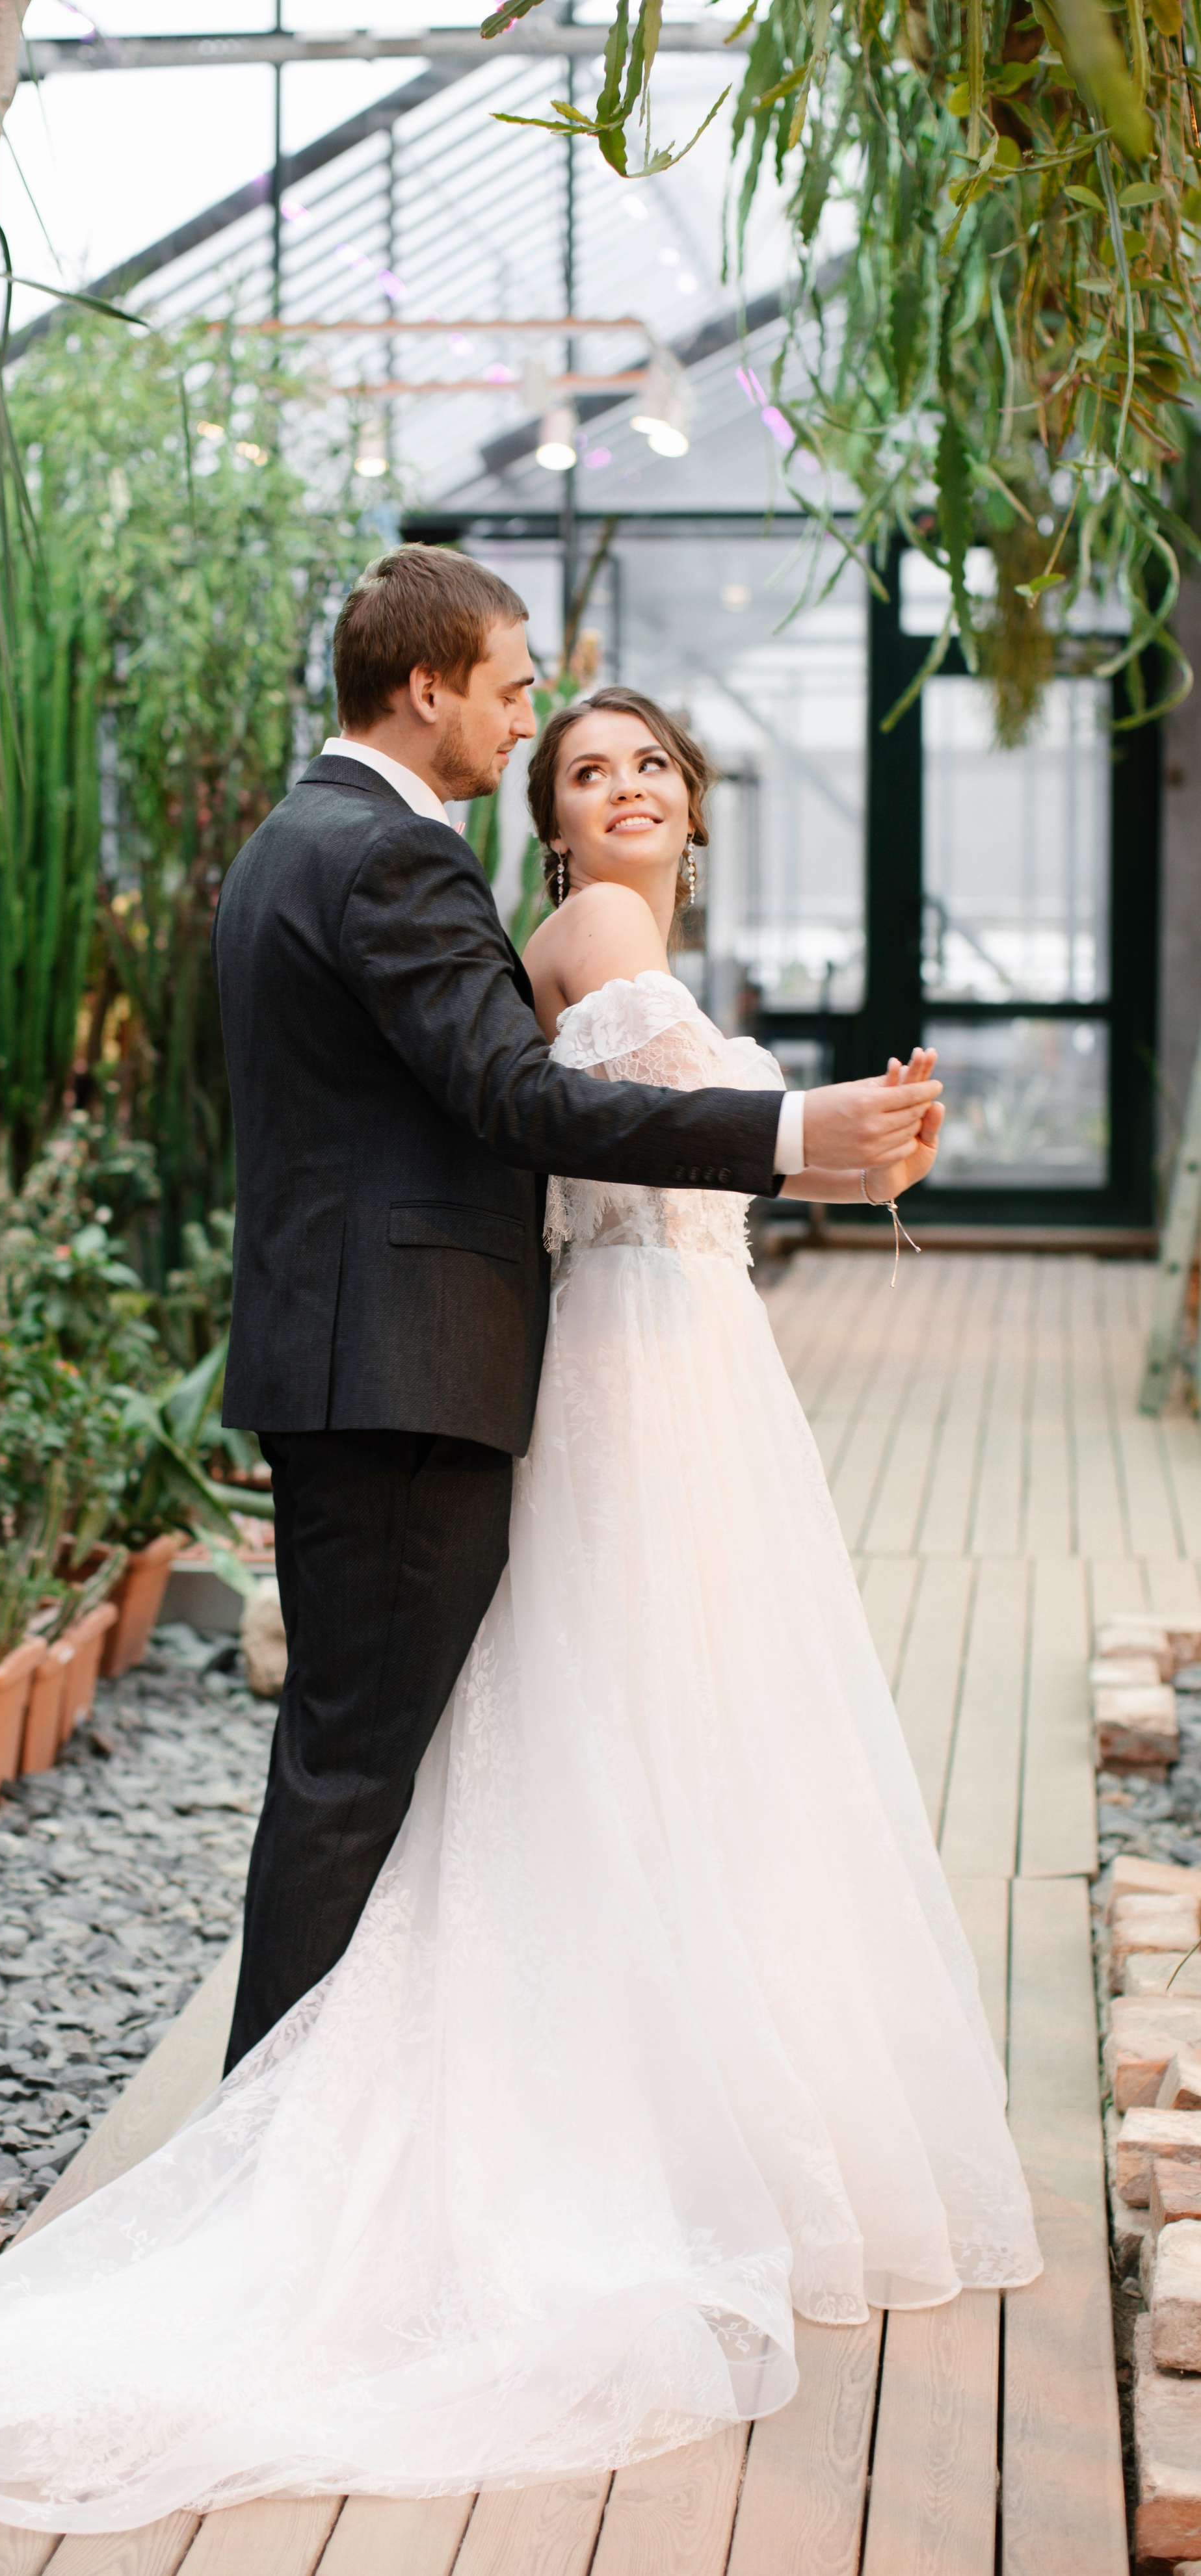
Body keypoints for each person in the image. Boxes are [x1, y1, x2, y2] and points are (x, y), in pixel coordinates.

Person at [0, 645, 1038, 2537]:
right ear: (450, 702)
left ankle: (465, 2123)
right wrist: (792, 1129)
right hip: (551, 1369)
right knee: (484, 1753)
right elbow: (539, 1118)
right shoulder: (514, 897)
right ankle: (293, 2160)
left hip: (618, 1363)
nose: (589, 763)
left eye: (638, 755)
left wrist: (814, 1144)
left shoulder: (429, 875)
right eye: (551, 727)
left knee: (603, 1739)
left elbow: (572, 1136)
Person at [208, 547, 940, 2068]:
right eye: (516, 687)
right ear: (428, 689)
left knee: (364, 1764)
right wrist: (796, 1135)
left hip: (371, 1360)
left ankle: (316, 2107)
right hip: (398, 1372)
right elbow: (512, 1096)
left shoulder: (305, 837)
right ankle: (267, 2142)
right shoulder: (390, 855)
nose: (527, 709)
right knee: (355, 1776)